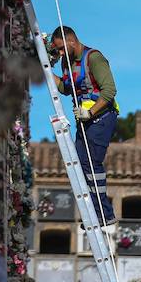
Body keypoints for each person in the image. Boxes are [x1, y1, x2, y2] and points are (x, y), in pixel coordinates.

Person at [49, 25, 119, 228]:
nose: (61, 54)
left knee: (92, 164)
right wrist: (46, 70)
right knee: (80, 164)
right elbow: (64, 88)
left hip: (101, 118)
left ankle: (104, 214)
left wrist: (90, 112)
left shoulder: (93, 58)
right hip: (85, 121)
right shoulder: (66, 63)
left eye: (62, 49)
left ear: (72, 41)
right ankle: (95, 213)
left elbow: (109, 91)